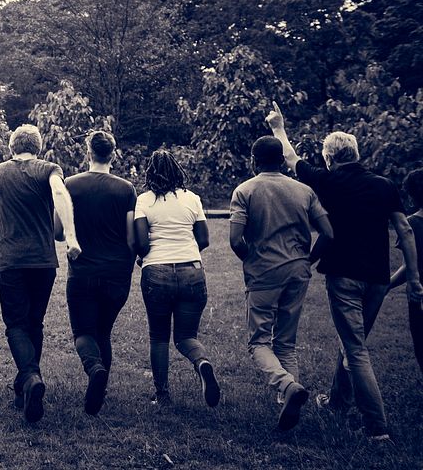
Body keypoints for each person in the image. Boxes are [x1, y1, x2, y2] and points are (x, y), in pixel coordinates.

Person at [266, 102, 419, 440]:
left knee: (356, 348)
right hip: (378, 278)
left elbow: (290, 159)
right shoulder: (384, 185)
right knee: (353, 339)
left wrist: (278, 127)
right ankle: (338, 400)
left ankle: (377, 427)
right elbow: (405, 230)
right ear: (356, 153)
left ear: (329, 158)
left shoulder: (328, 181)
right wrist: (415, 279)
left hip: (344, 276)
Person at [229, 136, 333, 431]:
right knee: (286, 342)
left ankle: (287, 387)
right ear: (281, 160)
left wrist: (251, 259)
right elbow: (328, 232)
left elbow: (236, 239)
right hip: (298, 271)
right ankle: (286, 397)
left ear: (253, 160)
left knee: (259, 342)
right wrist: (307, 260)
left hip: (264, 272)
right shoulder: (304, 190)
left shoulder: (245, 190)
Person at [0, 124, 81, 423]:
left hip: (11, 261)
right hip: (43, 262)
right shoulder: (49, 169)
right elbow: (61, 193)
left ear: (12, 146)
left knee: (15, 325)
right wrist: (71, 238)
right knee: (34, 322)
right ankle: (22, 386)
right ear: (37, 147)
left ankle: (31, 377)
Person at [57, 131, 136, 416]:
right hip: (117, 274)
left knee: (83, 331)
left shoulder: (70, 185)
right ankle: (100, 389)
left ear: (88, 153)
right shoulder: (126, 189)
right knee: (104, 331)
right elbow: (131, 238)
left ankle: (95, 369)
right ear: (113, 155)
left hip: (82, 272)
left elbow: (58, 231)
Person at [134, 149, 220, 409]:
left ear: (150, 173)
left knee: (159, 337)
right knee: (185, 336)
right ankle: (202, 363)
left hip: (156, 273)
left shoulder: (144, 200)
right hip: (192, 271)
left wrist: (144, 256)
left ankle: (162, 395)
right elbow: (203, 239)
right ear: (177, 171)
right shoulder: (192, 199)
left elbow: (141, 244)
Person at [390, 169, 423, 376]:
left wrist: (386, 284)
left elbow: (410, 268)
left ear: (410, 195)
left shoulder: (412, 225)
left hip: (418, 295)